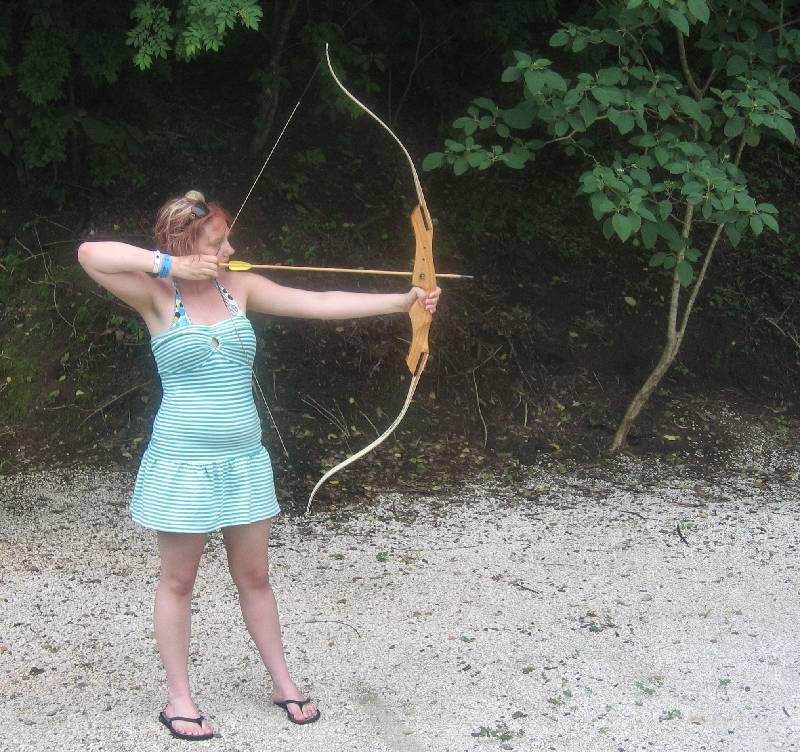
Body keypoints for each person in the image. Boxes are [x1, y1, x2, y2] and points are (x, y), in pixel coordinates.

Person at [77, 190, 441, 741]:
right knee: (179, 581)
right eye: (218, 241)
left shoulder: (238, 287)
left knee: (256, 577)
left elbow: (316, 303)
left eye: (227, 239)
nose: (230, 248)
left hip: (244, 462)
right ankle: (179, 699)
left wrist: (402, 302)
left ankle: (282, 682)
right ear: (184, 244)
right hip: (183, 465)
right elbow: (88, 253)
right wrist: (171, 265)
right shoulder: (155, 294)